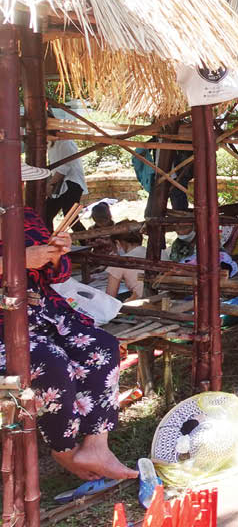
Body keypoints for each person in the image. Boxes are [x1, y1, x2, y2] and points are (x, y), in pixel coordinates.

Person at [0, 164, 137, 481]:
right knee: (51, 362)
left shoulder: (26, 216)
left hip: (41, 311)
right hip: (6, 325)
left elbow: (57, 276)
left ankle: (96, 446)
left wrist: (57, 254)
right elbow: (22, 262)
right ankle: (63, 450)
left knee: (101, 346)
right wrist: (17, 262)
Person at [46, 102, 90, 232]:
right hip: (60, 184)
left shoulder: (64, 141)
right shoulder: (51, 142)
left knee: (70, 218)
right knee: (46, 215)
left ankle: (88, 241)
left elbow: (64, 168)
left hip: (71, 183)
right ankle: (46, 240)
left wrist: (50, 184)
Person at [105, 224, 152, 300]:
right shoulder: (159, 253)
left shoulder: (120, 262)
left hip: (146, 303)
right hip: (167, 299)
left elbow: (109, 297)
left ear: (117, 243)